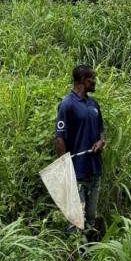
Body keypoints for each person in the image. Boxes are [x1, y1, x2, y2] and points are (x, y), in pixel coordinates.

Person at [54, 64, 105, 234]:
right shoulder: (67, 105)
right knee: (76, 220)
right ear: (83, 80)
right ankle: (73, 256)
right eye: (93, 79)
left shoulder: (94, 105)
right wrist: (65, 167)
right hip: (76, 172)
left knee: (91, 216)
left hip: (94, 170)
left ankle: (90, 253)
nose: (95, 82)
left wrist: (100, 142)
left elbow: (101, 133)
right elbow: (59, 138)